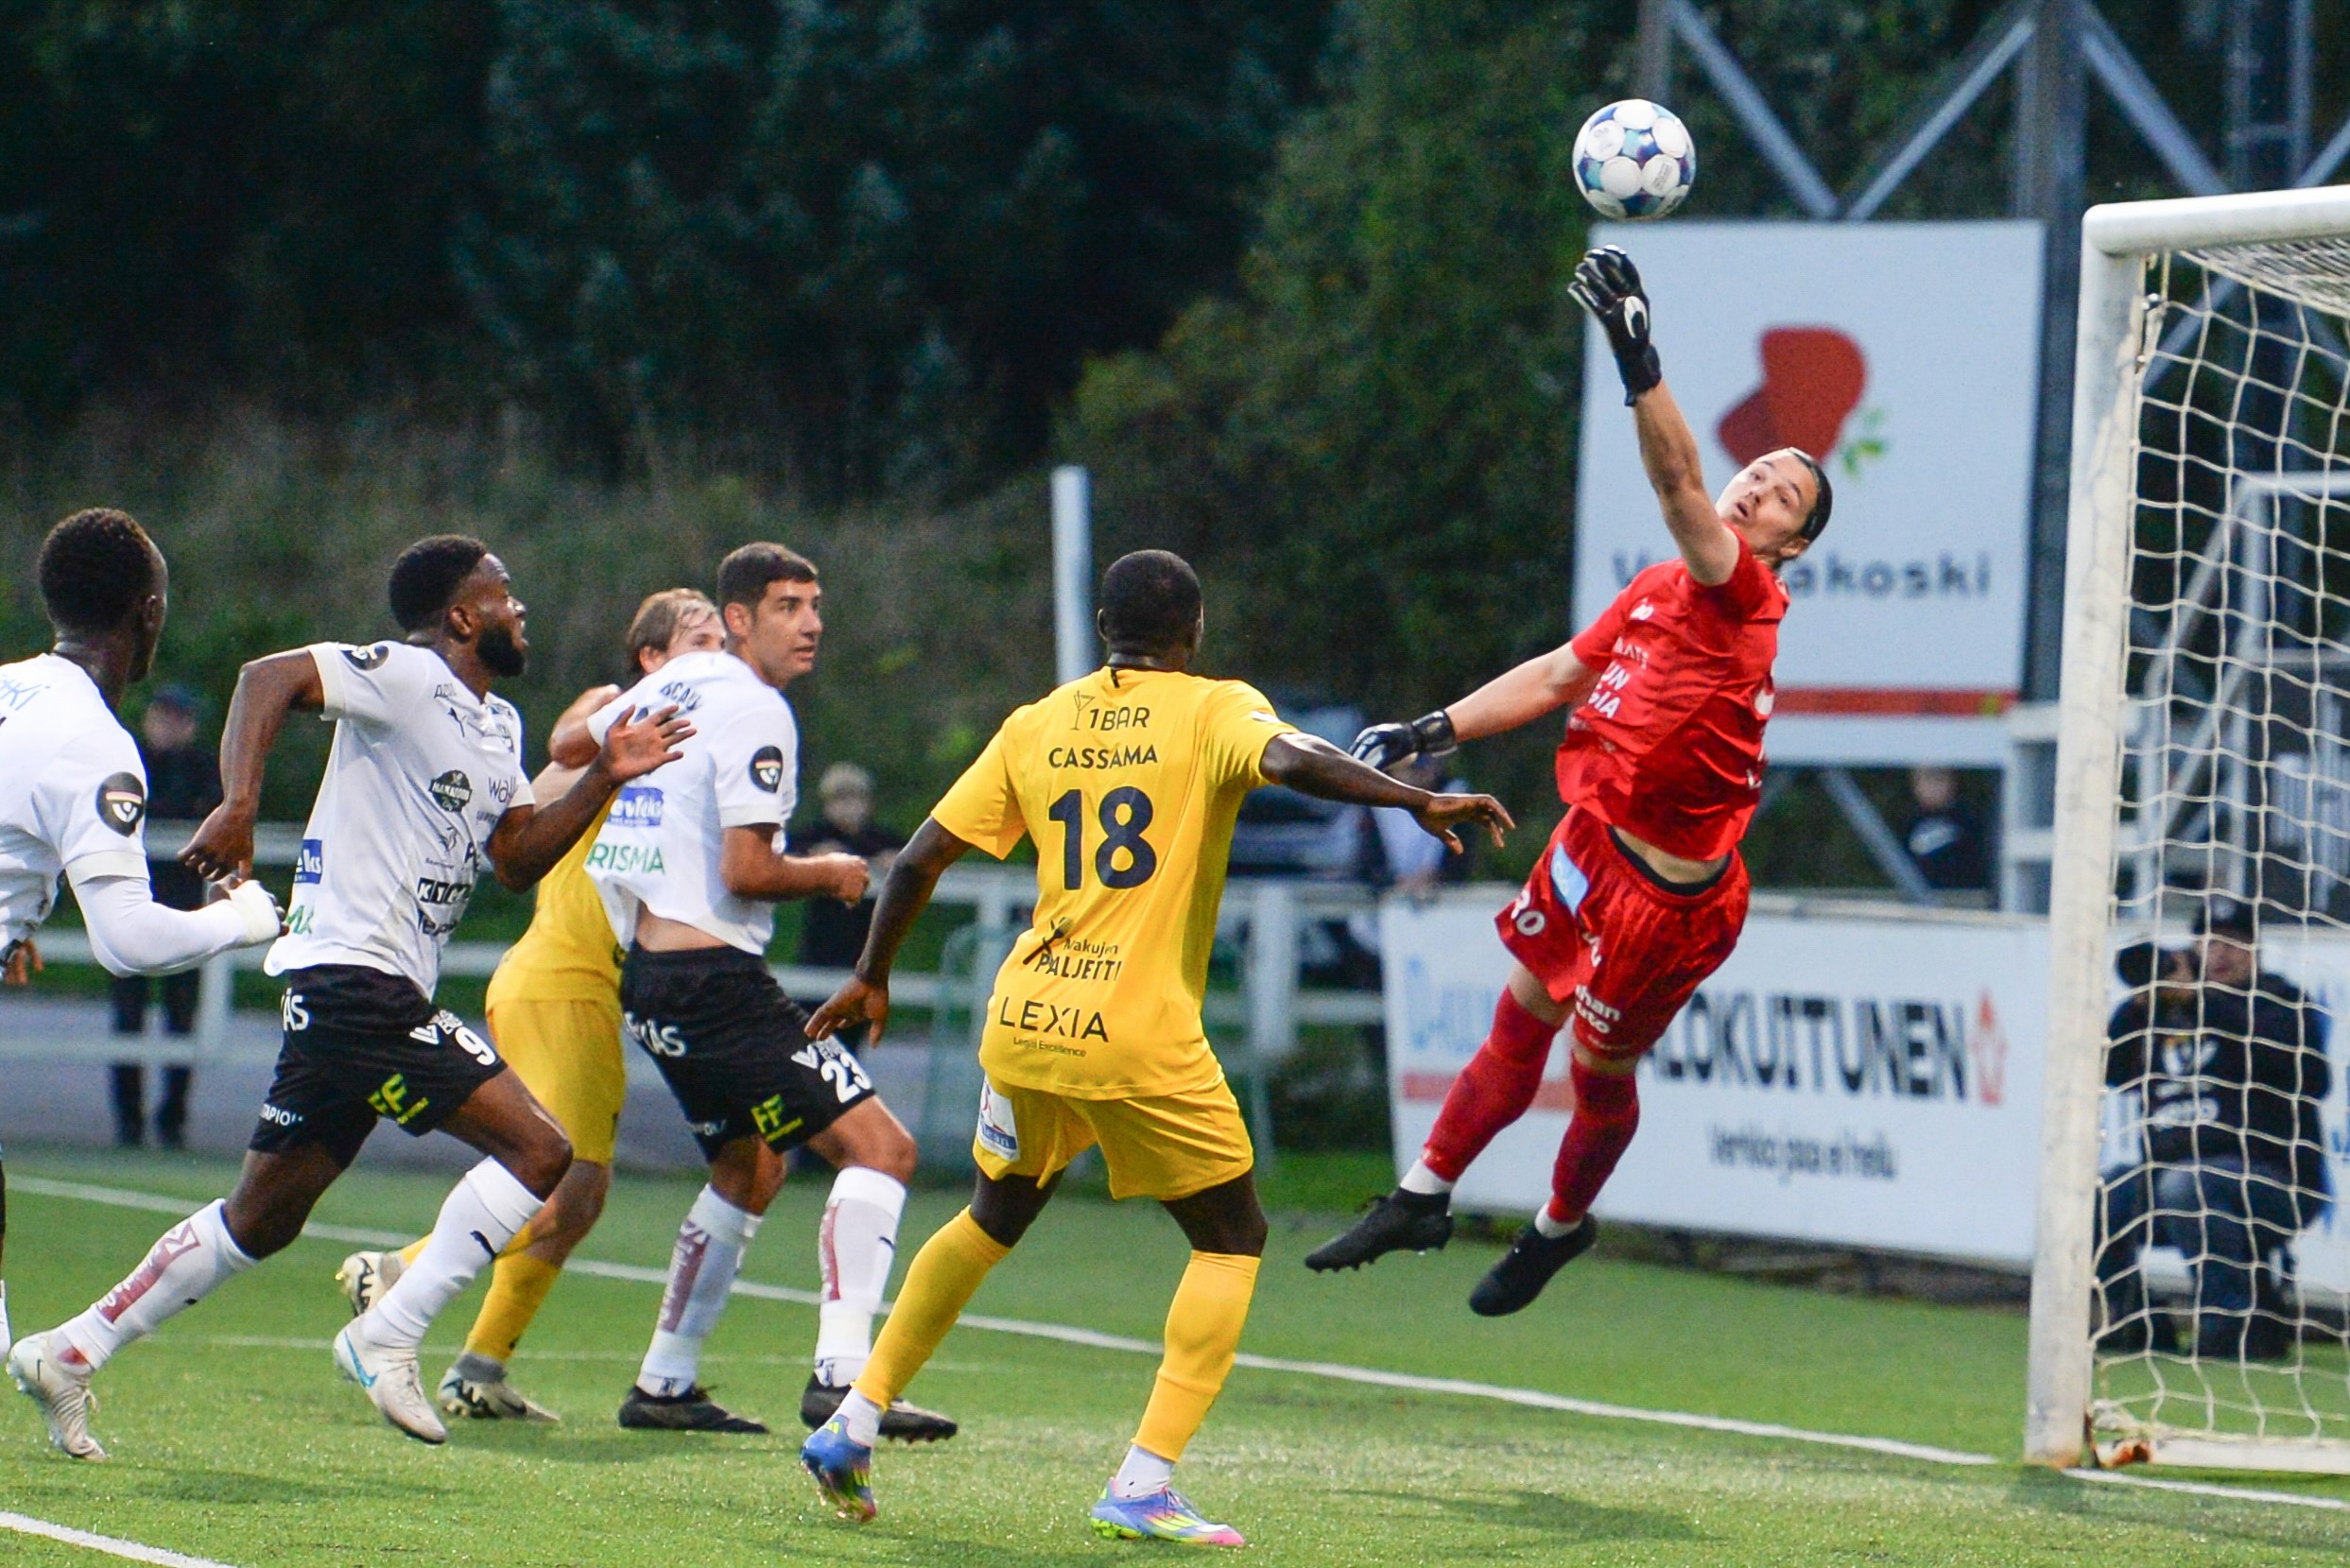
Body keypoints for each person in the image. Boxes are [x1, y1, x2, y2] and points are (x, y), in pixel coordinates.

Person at [797, 549, 1512, 1545]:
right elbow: (1293, 759)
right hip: (1134, 1030)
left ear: (1103, 629)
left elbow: (919, 856)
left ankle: (854, 1418)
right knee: (1232, 1237)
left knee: (991, 1216)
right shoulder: (1213, 707)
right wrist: (1413, 798)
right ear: (1195, 630)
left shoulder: (1038, 721)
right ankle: (1143, 1482)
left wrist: (872, 972)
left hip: (1028, 1016)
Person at [9, 534, 689, 1459]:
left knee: (261, 1218)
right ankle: (389, 1331)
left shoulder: (498, 725)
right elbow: (266, 678)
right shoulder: (405, 675)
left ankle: (71, 1349)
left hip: (363, 987)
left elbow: (515, 859)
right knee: (542, 1149)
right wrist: (239, 803)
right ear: (462, 616)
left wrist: (605, 773)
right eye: (503, 593)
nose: (519, 608)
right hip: (354, 978)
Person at [1305, 245, 1831, 1318]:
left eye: (1782, 495)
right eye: (1759, 470)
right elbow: (1556, 676)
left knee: (1595, 1069)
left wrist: (1638, 358)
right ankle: (1420, 1195)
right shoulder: (1660, 586)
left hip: (1668, 902)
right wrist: (1430, 726)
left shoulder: (1744, 596)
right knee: (1517, 1018)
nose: (1756, 485)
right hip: (1592, 841)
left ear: (1792, 547)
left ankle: (1558, 1224)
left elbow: (1677, 483)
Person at [577, 543, 955, 1441]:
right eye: (788, 605)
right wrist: (831, 872)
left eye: (815, 604)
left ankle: (665, 1381)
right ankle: (845, 1380)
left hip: (651, 978)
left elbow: (570, 742)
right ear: (738, 618)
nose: (811, 623)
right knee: (882, 1149)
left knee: (748, 1167)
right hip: (714, 983)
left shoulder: (676, 683)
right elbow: (746, 871)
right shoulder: (756, 707)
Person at [333, 588, 725, 1422]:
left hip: (586, 988)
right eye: (700, 639)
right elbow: (564, 742)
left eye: (723, 641)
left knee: (578, 1197)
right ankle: (395, 1271)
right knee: (554, 1183)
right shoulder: (619, 713)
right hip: (557, 980)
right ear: (651, 658)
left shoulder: (689, 744)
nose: (717, 653)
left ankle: (479, 1367)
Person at [1, 509, 282, 1403]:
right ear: (148, 611)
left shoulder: (8, 687)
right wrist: (244, 919)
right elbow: (128, 941)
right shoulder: (93, 739)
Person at [2095, 902, 2332, 1359]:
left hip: (2272, 1182)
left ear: (2255, 949)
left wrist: (2202, 1001)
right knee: (2101, 1196)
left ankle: (2231, 1325)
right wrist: (2140, 1005)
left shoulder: (2280, 1000)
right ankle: (2135, 1319)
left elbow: (2312, 1078)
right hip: (2169, 1179)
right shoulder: (2164, 1009)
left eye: (2233, 941)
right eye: (2209, 940)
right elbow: (2112, 1071)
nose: (2220, 952)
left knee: (2188, 1185)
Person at [109, 684, 224, 1149]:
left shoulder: (203, 768)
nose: (168, 726)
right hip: (130, 908)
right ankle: (128, 1121)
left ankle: (172, 1119)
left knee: (182, 1017)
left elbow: (211, 821)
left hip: (184, 910)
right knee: (128, 1016)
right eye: (162, 716)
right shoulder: (128, 763)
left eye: (177, 717)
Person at [795, 763, 905, 1044]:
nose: (847, 807)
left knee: (853, 1030)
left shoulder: (880, 839)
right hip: (821, 945)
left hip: (862, 946)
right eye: (839, 799)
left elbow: (910, 858)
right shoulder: (816, 835)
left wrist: (894, 862)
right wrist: (812, 859)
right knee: (812, 1027)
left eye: (854, 798)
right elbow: (785, 853)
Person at [1903, 766, 1988, 892]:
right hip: (1920, 895)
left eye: (1939, 780)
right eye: (1926, 781)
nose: (1932, 788)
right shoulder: (1909, 823)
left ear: (1952, 783)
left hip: (1961, 895)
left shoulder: (1966, 821)